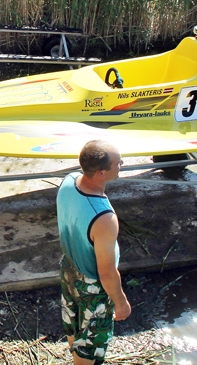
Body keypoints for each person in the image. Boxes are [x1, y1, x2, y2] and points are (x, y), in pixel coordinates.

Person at [57, 140, 130, 365]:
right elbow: (107, 273)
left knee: (74, 321)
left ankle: (75, 358)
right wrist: (121, 302)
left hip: (69, 268)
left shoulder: (68, 182)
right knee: (90, 345)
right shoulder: (104, 218)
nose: (122, 165)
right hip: (92, 286)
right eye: (118, 163)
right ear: (101, 173)